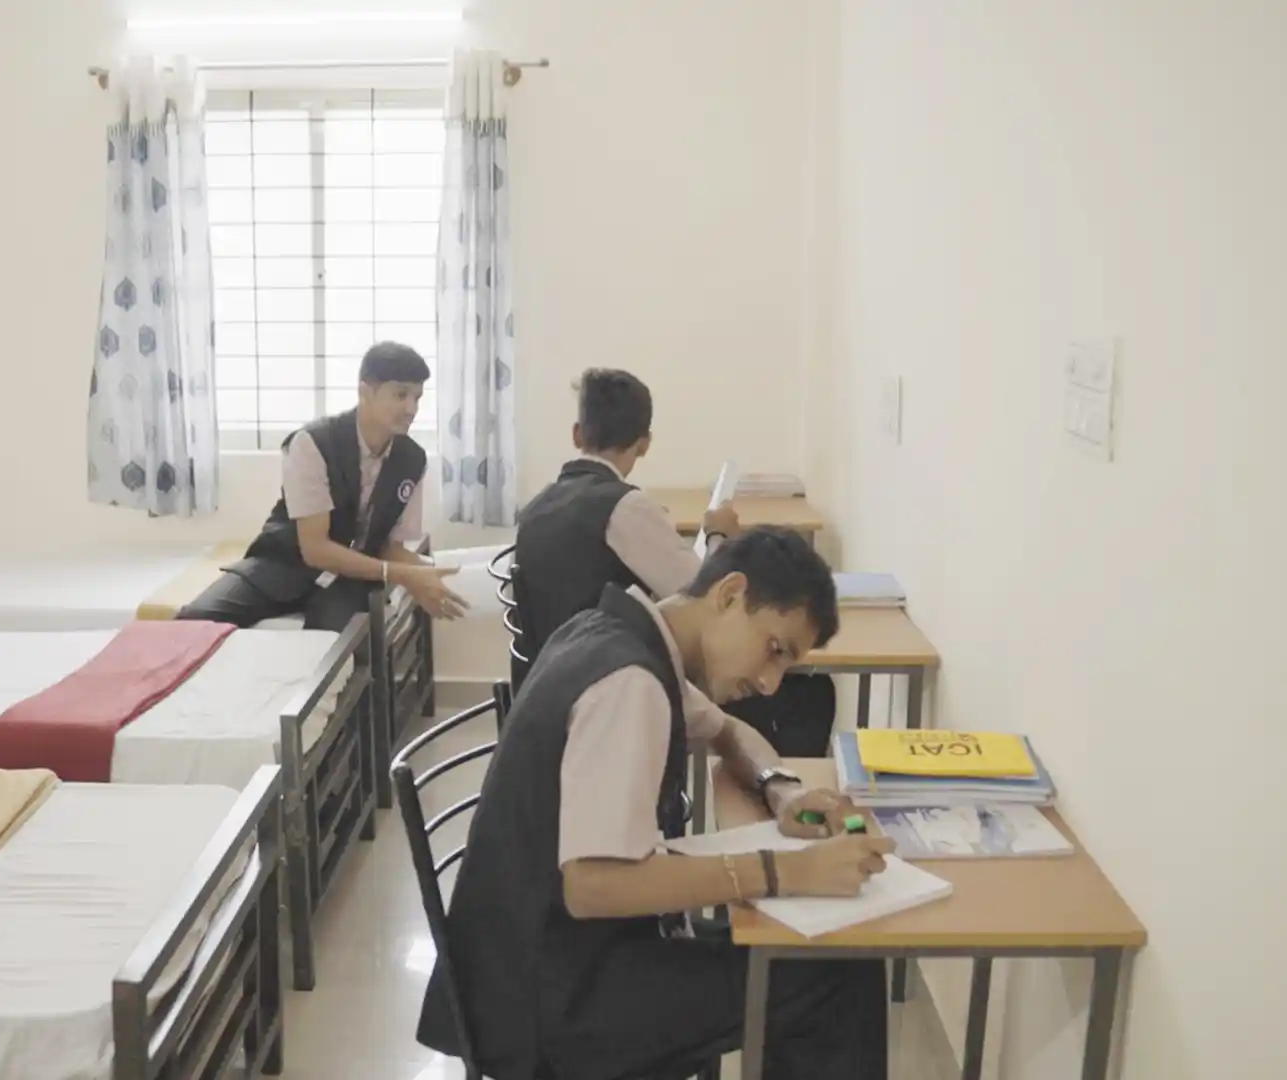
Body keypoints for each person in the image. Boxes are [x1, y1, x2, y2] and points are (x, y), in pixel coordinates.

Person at [418, 528, 890, 1080]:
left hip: (528, 965)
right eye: (775, 650)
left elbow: (727, 731)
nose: (770, 683)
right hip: (553, 1005)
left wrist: (782, 790)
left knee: (803, 959)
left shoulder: (612, 632)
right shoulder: (630, 683)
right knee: (835, 975)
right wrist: (784, 871)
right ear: (730, 595)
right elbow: (592, 885)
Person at [510, 368, 838, 756]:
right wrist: (718, 535)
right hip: (611, 681)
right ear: (644, 443)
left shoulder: (536, 506)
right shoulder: (624, 507)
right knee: (812, 692)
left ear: (577, 434)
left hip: (555, 677)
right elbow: (699, 592)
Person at [177, 341, 467, 630]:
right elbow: (315, 549)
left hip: (352, 577)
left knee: (334, 643)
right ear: (366, 391)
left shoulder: (412, 460)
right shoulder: (313, 442)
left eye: (417, 397)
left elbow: (391, 548)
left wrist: (434, 573)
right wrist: (402, 574)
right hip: (283, 563)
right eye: (400, 395)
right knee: (191, 622)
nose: (411, 409)